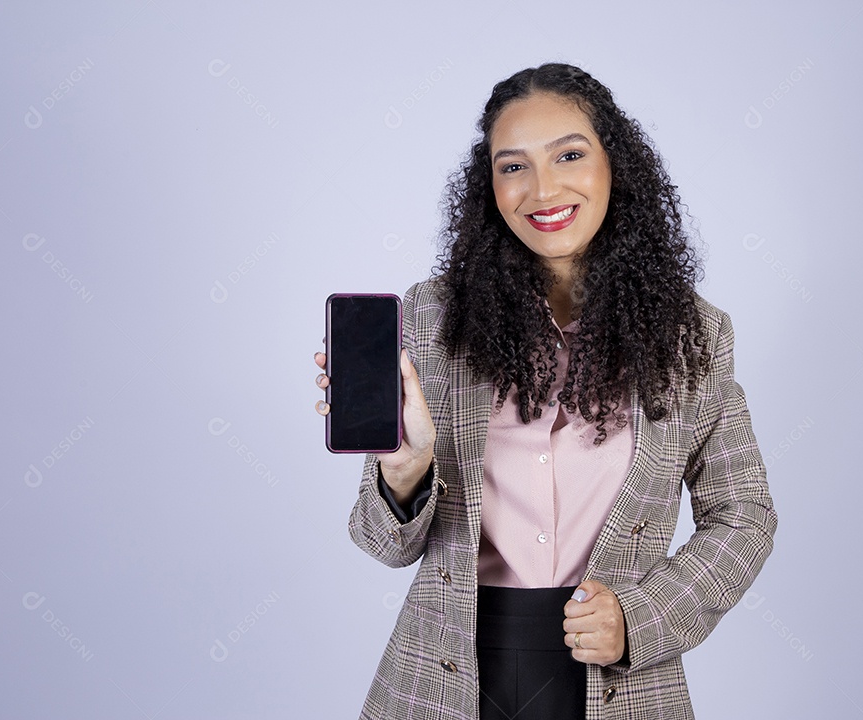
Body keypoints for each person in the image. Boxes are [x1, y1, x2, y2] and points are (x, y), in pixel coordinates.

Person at [314, 63, 777, 720]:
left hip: (616, 671)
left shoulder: (694, 337)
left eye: (569, 155)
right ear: (489, 188)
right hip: (447, 678)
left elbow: (744, 517)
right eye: (513, 166)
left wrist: (640, 619)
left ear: (614, 164)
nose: (542, 188)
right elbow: (382, 543)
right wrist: (405, 468)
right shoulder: (432, 319)